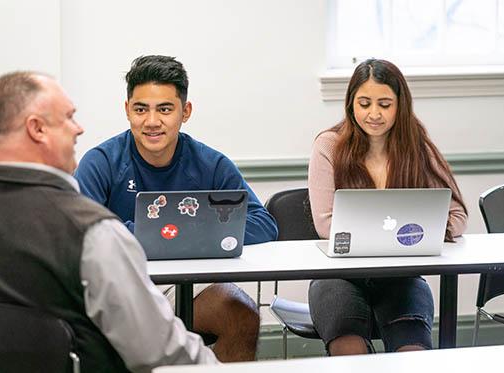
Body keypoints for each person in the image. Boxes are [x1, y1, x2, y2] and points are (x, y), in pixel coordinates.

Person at [0, 71, 218, 372]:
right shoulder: (92, 233)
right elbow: (161, 352)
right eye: (69, 117)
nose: (79, 129)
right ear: (38, 129)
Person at [75, 55, 278, 361]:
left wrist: (191, 232)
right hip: (121, 291)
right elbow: (80, 235)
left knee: (241, 313)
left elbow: (263, 223)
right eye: (141, 109)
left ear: (186, 112)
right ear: (127, 110)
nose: (152, 121)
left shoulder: (210, 163)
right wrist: (165, 234)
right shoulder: (101, 162)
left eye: (165, 109)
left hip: (190, 289)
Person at [307, 59, 468, 355]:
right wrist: (401, 238)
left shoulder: (416, 144)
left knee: (413, 353)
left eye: (384, 104)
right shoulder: (329, 145)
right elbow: (326, 224)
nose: (374, 114)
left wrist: (430, 231)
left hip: (401, 277)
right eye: (364, 103)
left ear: (400, 105)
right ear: (350, 104)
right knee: (349, 350)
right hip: (338, 276)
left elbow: (457, 215)